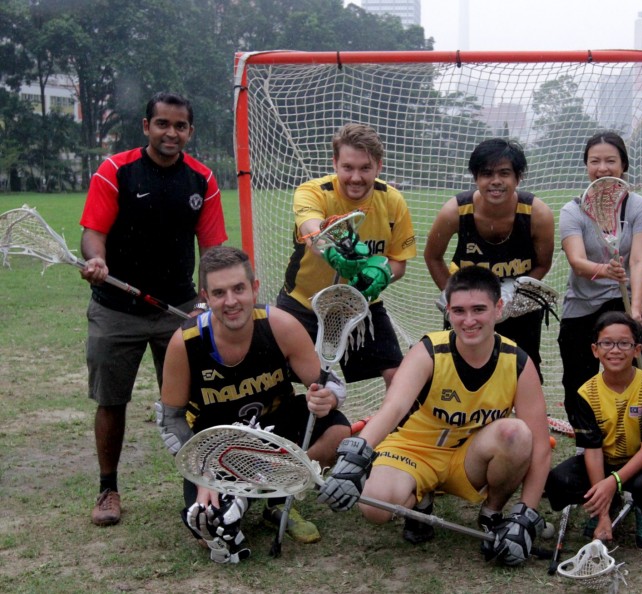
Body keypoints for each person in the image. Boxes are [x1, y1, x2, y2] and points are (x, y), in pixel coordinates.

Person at [316, 266, 552, 566]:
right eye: (459, 311)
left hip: (469, 459)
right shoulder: (429, 351)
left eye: (479, 309)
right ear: (448, 310)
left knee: (517, 434)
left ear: (499, 308)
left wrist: (526, 515)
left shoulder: (518, 361)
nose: (469, 321)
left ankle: (493, 513)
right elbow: (394, 408)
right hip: (414, 450)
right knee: (375, 509)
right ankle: (420, 503)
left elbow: (541, 448)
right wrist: (355, 457)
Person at [79, 91, 227, 526]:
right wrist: (97, 259)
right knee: (111, 401)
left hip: (176, 310)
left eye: (180, 126)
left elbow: (213, 247)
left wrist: (208, 295)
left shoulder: (202, 179)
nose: (171, 133)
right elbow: (93, 231)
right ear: (146, 127)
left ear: (190, 132)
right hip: (115, 308)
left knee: (192, 401)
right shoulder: (115, 171)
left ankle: (204, 486)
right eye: (162, 124)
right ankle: (108, 489)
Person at [158, 246, 351, 562]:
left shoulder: (280, 325)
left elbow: (330, 385)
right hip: (218, 449)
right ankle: (246, 492)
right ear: (205, 296)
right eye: (219, 293)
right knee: (211, 530)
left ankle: (272, 496)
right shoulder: (186, 342)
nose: (231, 301)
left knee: (339, 432)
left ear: (254, 288)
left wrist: (325, 397)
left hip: (278, 433)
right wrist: (201, 474)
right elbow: (171, 421)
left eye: (238, 289)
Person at [277, 123, 416, 389]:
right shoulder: (312, 191)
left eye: (365, 168)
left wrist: (381, 273)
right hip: (303, 303)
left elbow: (399, 262)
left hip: (359, 301)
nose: (355, 177)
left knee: (399, 378)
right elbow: (311, 230)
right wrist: (335, 245)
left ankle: (395, 430)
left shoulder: (393, 201)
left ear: (378, 166)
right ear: (335, 163)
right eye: (348, 167)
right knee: (280, 378)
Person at [423, 138, 554, 378]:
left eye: (504, 173)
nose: (495, 181)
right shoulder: (455, 211)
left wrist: (515, 294)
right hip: (470, 308)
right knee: (462, 370)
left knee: (523, 370)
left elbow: (543, 263)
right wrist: (454, 296)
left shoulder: (538, 213)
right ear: (476, 178)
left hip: (520, 307)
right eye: (486, 174)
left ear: (518, 178)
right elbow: (432, 257)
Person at [545, 311, 642, 550]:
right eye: (607, 343)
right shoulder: (585, 393)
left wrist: (614, 481)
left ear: (637, 349)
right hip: (602, 462)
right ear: (595, 350)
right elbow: (592, 449)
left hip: (640, 464)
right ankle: (605, 505)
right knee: (559, 481)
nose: (615, 350)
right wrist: (602, 514)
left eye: (624, 343)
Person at [558, 131, 642, 404]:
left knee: (631, 376)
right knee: (578, 378)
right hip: (583, 304)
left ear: (623, 165)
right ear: (586, 165)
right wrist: (604, 270)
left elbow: (638, 260)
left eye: (610, 161)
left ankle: (635, 431)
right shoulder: (572, 211)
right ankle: (584, 437)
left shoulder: (639, 207)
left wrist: (635, 311)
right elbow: (577, 262)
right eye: (594, 161)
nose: (602, 168)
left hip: (625, 301)